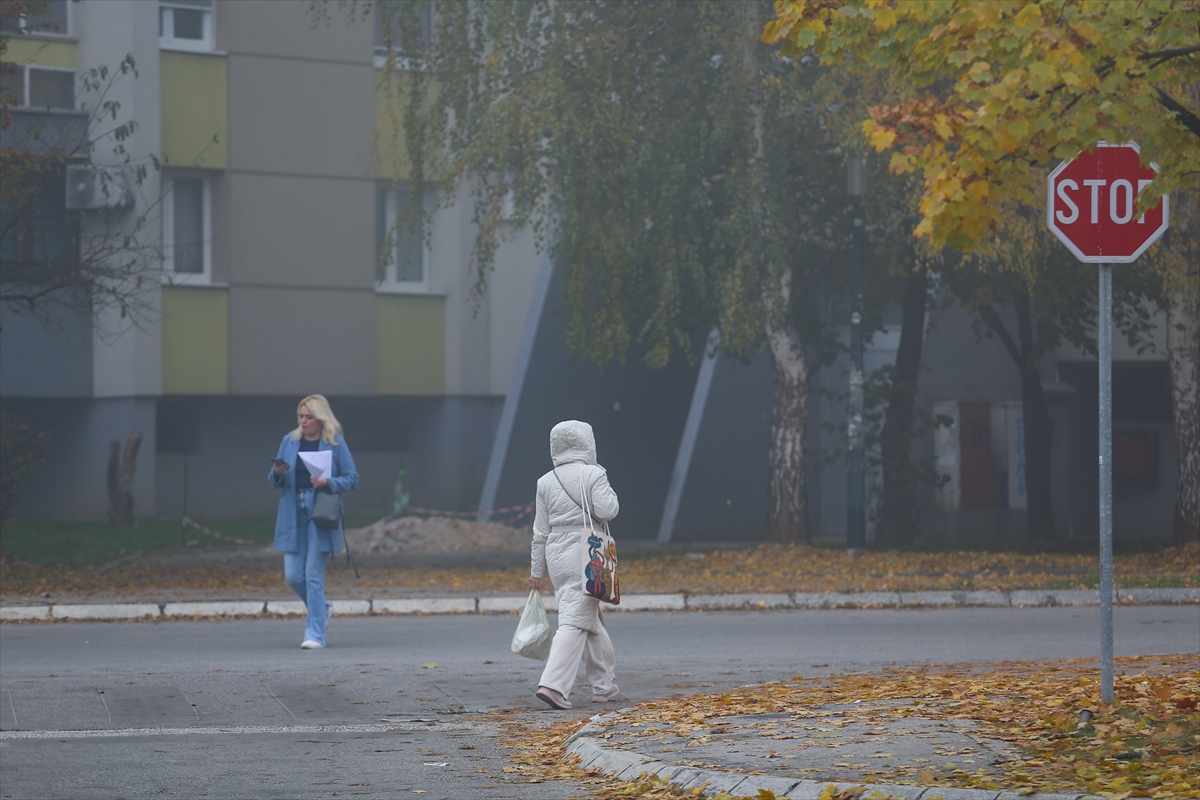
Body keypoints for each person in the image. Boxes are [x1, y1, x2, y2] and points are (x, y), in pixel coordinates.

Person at [529, 420, 621, 709]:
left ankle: (604, 686)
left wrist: (536, 571)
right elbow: (608, 510)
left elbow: (539, 532)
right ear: (587, 442)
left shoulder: (545, 481)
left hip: (556, 553)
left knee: (587, 616)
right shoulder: (593, 473)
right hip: (588, 550)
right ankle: (553, 685)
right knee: (573, 620)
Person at [269, 394, 359, 650]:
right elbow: (275, 480)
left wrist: (328, 482)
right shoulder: (290, 441)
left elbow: (352, 478)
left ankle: (315, 634)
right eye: (301, 416)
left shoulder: (335, 443)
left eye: (309, 417)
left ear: (321, 419)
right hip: (292, 510)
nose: (303, 421)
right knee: (293, 576)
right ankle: (323, 608)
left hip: (320, 511)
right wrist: (276, 473)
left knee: (313, 575)